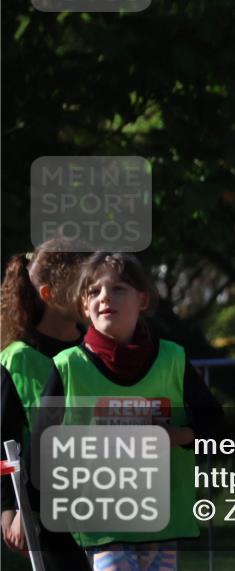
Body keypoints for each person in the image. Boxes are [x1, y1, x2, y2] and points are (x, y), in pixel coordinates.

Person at [39, 252, 223, 571]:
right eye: (93, 291)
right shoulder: (67, 366)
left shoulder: (173, 359)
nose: (105, 297)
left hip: (161, 521)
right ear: (84, 306)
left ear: (143, 300)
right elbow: (41, 451)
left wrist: (174, 436)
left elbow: (215, 424)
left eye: (119, 288)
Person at [0, 238, 91, 570]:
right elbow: (4, 441)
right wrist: (10, 511)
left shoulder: (97, 350)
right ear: (50, 294)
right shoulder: (17, 359)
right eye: (84, 285)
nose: (92, 294)